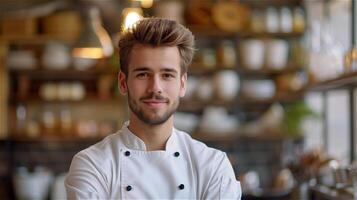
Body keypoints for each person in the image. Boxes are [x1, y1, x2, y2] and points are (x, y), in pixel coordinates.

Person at [65, 17, 242, 199]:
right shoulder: (92, 164)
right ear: (123, 82)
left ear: (182, 85)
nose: (155, 87)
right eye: (143, 74)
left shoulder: (212, 165)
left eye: (167, 75)